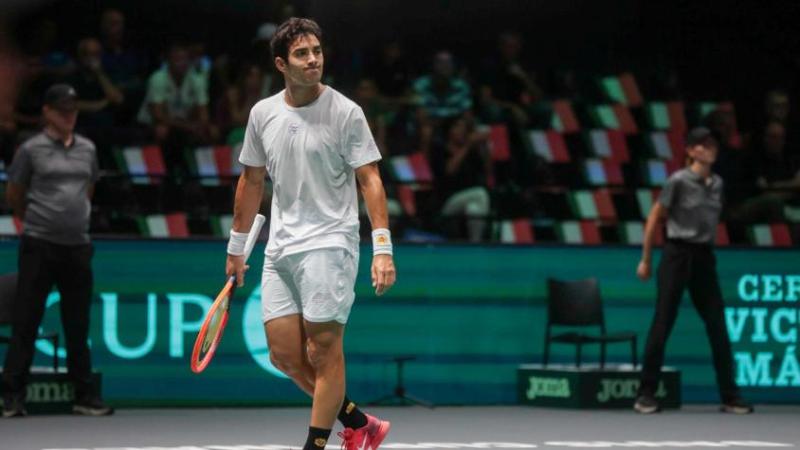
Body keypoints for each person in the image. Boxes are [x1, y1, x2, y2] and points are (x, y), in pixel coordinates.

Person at [227, 18, 394, 450]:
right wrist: (236, 247)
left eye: (316, 51)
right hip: (281, 247)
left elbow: (370, 179)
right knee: (284, 354)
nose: (313, 59)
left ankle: (316, 445)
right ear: (281, 64)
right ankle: (360, 422)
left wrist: (382, 248)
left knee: (323, 351)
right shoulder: (263, 114)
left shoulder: (346, 112)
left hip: (330, 243)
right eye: (302, 54)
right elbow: (251, 181)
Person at [2, 84, 113, 417]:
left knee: (77, 324)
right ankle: (12, 396)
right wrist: (40, 221)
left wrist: (70, 219)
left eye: (73, 109)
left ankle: (84, 396)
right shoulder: (30, 149)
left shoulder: (88, 149)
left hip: (77, 246)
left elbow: (88, 189)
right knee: (26, 320)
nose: (69, 115)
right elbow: (14, 194)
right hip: (39, 245)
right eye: (63, 110)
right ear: (47, 112)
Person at [634, 127, 753, 415]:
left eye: (712, 144)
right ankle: (645, 395)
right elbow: (654, 218)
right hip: (677, 254)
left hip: (704, 258)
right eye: (702, 145)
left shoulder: (718, 183)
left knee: (717, 325)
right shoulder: (677, 181)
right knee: (663, 321)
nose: (709, 149)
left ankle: (730, 396)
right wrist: (646, 259)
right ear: (690, 151)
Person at [431, 117, 491, 242]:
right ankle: (478, 244)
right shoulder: (440, 149)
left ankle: (474, 243)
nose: (462, 130)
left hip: (470, 197)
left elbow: (488, 172)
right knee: (481, 193)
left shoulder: (472, 152)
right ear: (449, 130)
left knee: (473, 209)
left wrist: (484, 147)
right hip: (447, 201)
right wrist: (468, 145)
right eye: (457, 126)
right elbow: (449, 170)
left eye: (464, 127)